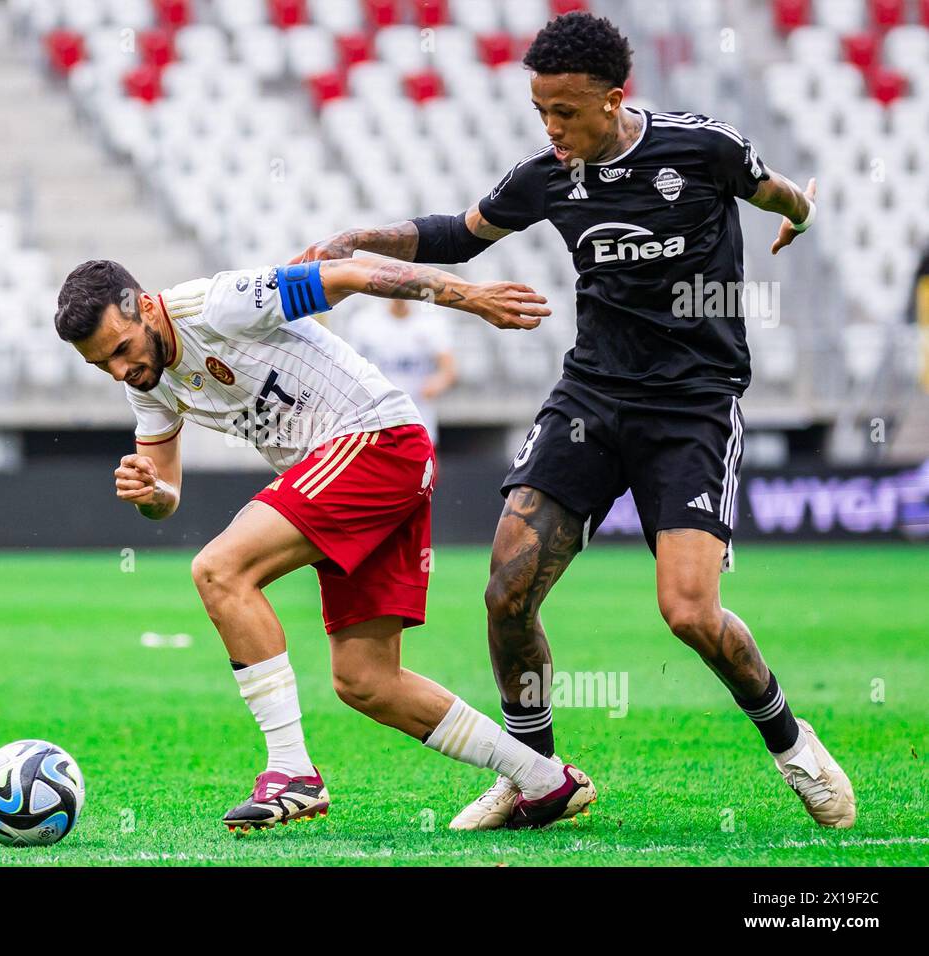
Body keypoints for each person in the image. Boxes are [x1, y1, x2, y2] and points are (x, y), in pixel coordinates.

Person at [292, 11, 855, 830]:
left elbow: (779, 191)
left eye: (565, 112)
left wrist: (799, 216)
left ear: (614, 98)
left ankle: (793, 745)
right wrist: (357, 240)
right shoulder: (548, 175)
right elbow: (462, 235)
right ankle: (536, 774)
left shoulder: (702, 149)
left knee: (689, 614)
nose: (551, 129)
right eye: (539, 113)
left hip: (693, 403)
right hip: (590, 400)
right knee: (506, 593)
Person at [53, 255, 596, 832]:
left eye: (120, 348)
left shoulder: (218, 304)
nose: (118, 370)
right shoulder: (148, 382)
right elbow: (166, 497)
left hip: (376, 440)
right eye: (101, 364)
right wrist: (148, 491)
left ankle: (292, 774)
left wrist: (471, 296)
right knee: (367, 681)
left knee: (219, 569)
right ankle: (544, 780)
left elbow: (350, 272)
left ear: (141, 304)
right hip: (370, 466)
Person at [345, 298, 457, 445]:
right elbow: (349, 367)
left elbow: (449, 369)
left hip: (419, 418)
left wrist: (437, 382)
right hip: (377, 422)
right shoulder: (365, 321)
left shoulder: (431, 322)